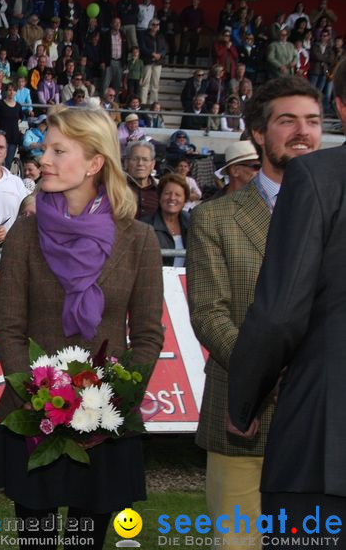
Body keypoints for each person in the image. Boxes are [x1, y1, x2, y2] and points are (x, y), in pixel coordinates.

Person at [0, 105, 163, 549]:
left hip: (106, 423)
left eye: (57, 150)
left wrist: (112, 401)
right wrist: (43, 402)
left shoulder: (139, 240)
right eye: (44, 148)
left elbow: (146, 336)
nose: (42, 158)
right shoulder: (24, 236)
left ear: (95, 162)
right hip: (34, 419)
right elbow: (8, 327)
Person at [188, 76, 324, 549]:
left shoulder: (341, 210)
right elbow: (208, 314)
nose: (303, 132)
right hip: (242, 417)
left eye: (312, 121)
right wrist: (261, 373)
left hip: (324, 423)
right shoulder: (215, 218)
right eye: (287, 121)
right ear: (260, 134)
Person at [227, 61, 346, 543]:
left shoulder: (317, 176)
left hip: (326, 438)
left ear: (338, 107)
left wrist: (245, 400)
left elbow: (279, 315)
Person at [141, 172, 189, 267]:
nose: (172, 198)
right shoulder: (144, 226)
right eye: (167, 193)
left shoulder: (193, 224)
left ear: (185, 200)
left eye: (178, 195)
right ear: (159, 197)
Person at [126, 140, 158, 219]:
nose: (140, 163)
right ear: (126, 162)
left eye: (145, 159)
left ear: (153, 164)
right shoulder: (116, 188)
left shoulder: (161, 189)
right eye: (135, 159)